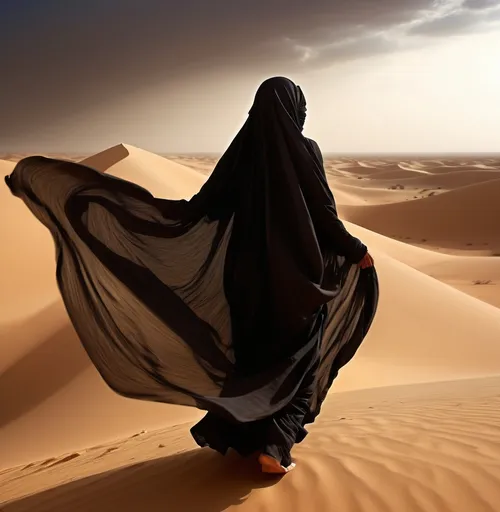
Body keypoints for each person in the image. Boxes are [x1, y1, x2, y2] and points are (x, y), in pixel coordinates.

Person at [5, 76, 378, 475]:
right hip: (296, 283)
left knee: (253, 361)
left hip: (244, 283)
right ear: (296, 108)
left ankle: (246, 439)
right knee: (302, 361)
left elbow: (204, 206)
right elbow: (322, 213)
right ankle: (274, 445)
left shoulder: (243, 152)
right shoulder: (306, 151)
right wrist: (357, 252)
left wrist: (132, 216)